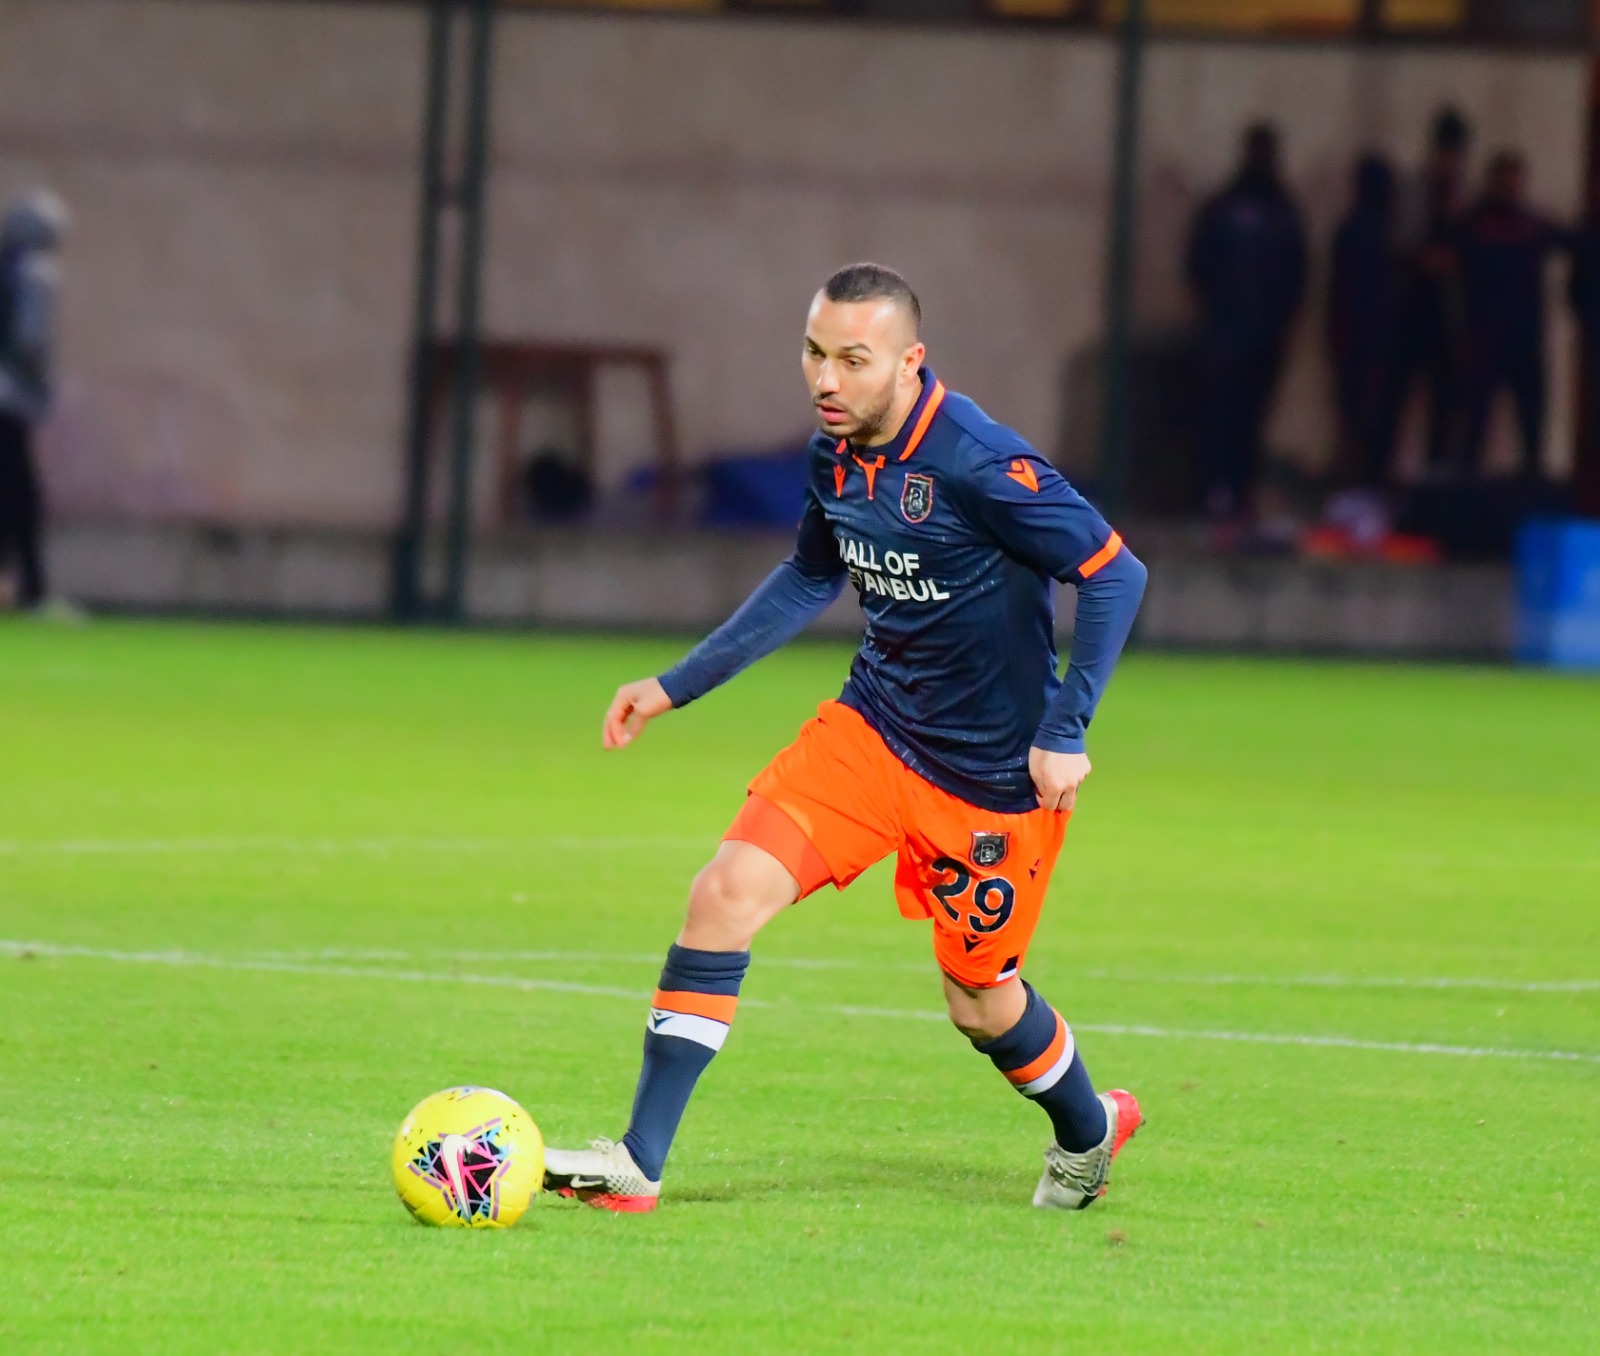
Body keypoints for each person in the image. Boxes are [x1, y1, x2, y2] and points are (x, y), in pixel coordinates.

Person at [542, 264, 1148, 1213]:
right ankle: (638, 1162)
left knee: (980, 1000)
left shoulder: (978, 462)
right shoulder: (837, 451)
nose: (826, 380)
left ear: (910, 361)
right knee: (723, 894)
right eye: (814, 353)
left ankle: (1087, 1129)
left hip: (991, 777)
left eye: (852, 360)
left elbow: (1115, 573)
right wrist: (675, 685)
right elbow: (806, 576)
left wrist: (1065, 727)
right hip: (872, 733)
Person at [1185, 122, 1308, 520]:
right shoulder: (1253, 211)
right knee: (1226, 418)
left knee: (1244, 421)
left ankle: (1233, 494)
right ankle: (1221, 493)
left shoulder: (1273, 211)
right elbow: (1200, 268)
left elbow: (1296, 276)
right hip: (1234, 336)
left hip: (1251, 338)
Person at [1452, 151, 1568, 481]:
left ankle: (1530, 478)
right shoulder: (1476, 224)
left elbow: (1572, 240)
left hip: (1522, 336)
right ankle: (1468, 482)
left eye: (1515, 181)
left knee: (1530, 420)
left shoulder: (1528, 225)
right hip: (1486, 336)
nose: (1511, 187)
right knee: (1475, 421)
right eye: (1506, 180)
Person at [1374, 107, 1472, 479]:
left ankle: (1437, 476)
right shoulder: (1416, 189)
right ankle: (1380, 474)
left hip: (1445, 312)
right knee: (1393, 398)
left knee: (1445, 402)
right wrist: (1427, 258)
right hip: (1410, 306)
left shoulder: (1461, 195)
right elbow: (1400, 241)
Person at [0, 190, 66, 610]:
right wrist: (41, 387)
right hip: (9, 399)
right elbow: (31, 339)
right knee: (21, 497)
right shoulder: (37, 273)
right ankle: (32, 591)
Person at [1326, 155, 1402, 489]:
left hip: (1366, 342)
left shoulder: (1364, 231)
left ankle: (1363, 482)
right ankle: (1361, 483)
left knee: (1364, 419)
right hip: (1368, 342)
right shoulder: (1372, 233)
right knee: (1365, 419)